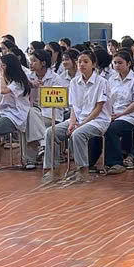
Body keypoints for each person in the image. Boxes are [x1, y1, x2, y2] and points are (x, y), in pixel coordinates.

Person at [43, 49, 109, 184]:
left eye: (86, 61)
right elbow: (74, 107)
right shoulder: (74, 82)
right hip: (78, 119)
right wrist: (72, 122)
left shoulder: (102, 82)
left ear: (93, 64)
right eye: (79, 62)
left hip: (97, 120)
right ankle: (52, 169)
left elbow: (98, 108)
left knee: (78, 134)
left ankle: (82, 170)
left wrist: (81, 124)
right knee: (51, 132)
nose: (82, 64)